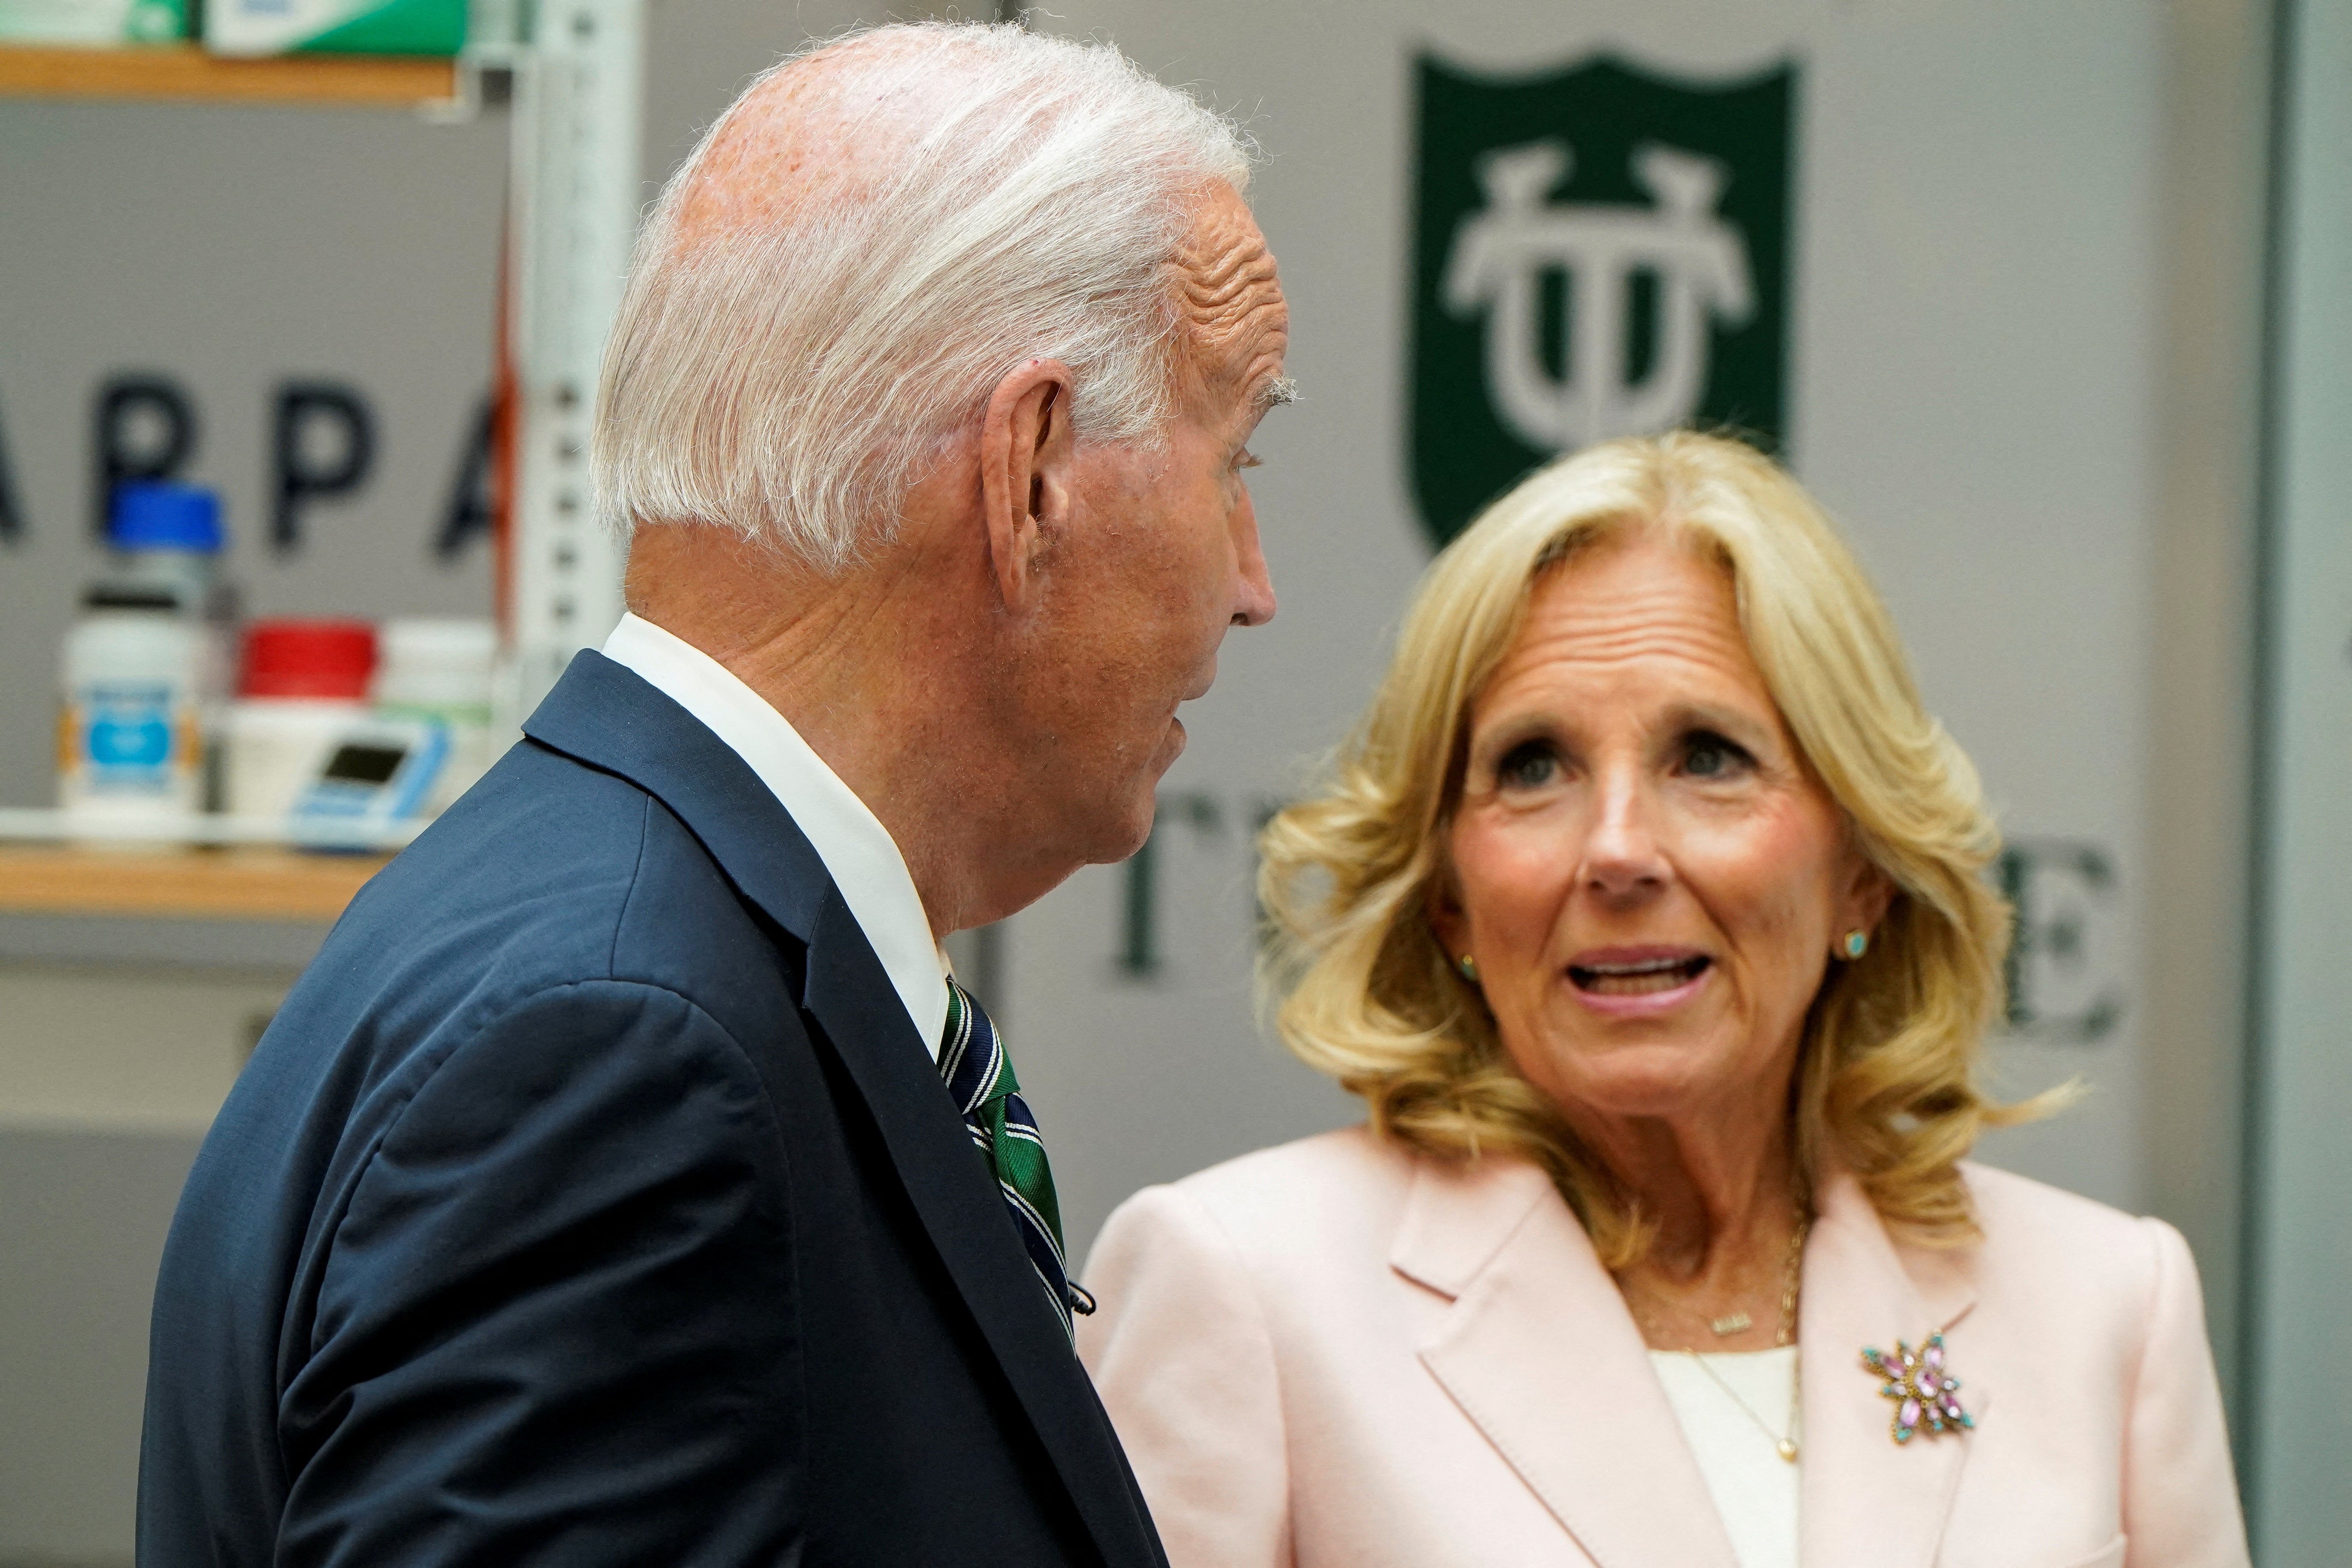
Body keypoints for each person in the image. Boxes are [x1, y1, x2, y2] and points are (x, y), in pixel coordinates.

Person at [139, 21, 1289, 1566]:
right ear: (1029, 477)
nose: (1252, 584)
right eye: (1237, 461)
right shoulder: (626, 1044)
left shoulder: (610, 945)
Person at [1078, 432, 2248, 1568]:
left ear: (1860, 867)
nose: (1619, 849)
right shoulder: (1245, 1287)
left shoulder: (2105, 1306)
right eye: (1533, 765)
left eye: (1707, 756)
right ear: (1446, 893)